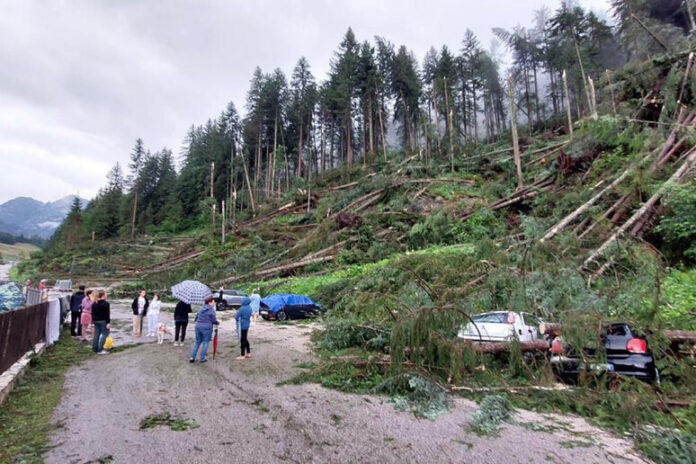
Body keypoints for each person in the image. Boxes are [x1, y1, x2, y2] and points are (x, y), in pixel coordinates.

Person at [189, 295, 219, 363]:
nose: (214, 303)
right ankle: (202, 358)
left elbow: (196, 318)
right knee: (206, 342)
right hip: (207, 328)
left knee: (197, 342)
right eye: (213, 302)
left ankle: (192, 357)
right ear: (209, 302)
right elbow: (213, 320)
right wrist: (217, 322)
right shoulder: (211, 310)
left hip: (198, 326)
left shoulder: (200, 309)